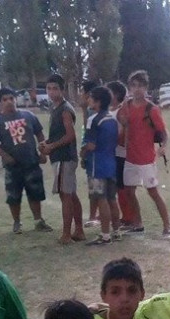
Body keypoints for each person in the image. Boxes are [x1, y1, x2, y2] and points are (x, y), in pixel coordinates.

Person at [0, 87, 53, 234]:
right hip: (13, 165)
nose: (9, 102)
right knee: (13, 196)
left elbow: (40, 134)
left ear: (16, 99)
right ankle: (17, 222)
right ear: (0, 102)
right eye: (5, 100)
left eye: (11, 98)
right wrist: (5, 155)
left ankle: (38, 221)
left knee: (35, 192)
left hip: (31, 162)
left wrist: (43, 152)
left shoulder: (29, 115)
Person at [117, 70, 170, 237]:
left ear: (146, 88)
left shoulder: (152, 109)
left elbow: (163, 131)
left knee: (153, 192)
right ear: (129, 88)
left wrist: (163, 146)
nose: (137, 89)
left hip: (147, 159)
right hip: (130, 157)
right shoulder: (125, 107)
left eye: (140, 86)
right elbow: (121, 122)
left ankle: (167, 225)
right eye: (133, 86)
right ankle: (138, 223)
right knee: (129, 191)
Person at [40, 74, 84, 245]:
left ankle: (67, 233)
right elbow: (58, 134)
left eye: (55, 88)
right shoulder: (56, 108)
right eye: (49, 88)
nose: (51, 92)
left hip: (65, 157)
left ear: (62, 89)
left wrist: (52, 146)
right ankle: (78, 230)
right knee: (70, 194)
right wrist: (47, 143)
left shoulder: (65, 109)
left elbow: (70, 135)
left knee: (65, 195)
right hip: (61, 156)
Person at [80, 86, 121, 245]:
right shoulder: (111, 118)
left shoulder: (93, 120)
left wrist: (82, 154)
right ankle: (116, 231)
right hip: (111, 162)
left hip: (97, 165)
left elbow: (90, 145)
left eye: (90, 97)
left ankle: (105, 235)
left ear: (97, 102)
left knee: (100, 198)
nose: (88, 100)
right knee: (112, 198)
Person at [106, 81, 135, 228]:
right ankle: (125, 215)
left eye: (108, 91)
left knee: (123, 188)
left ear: (116, 94)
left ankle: (129, 217)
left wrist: (112, 141)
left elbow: (124, 133)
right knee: (118, 187)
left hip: (121, 154)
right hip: (113, 154)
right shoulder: (109, 110)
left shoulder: (121, 111)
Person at [79, 80, 101, 227]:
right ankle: (96, 215)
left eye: (82, 92)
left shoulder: (93, 112)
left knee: (95, 186)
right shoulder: (90, 110)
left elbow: (90, 133)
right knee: (96, 186)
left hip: (95, 155)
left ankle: (93, 216)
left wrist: (84, 151)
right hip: (93, 153)